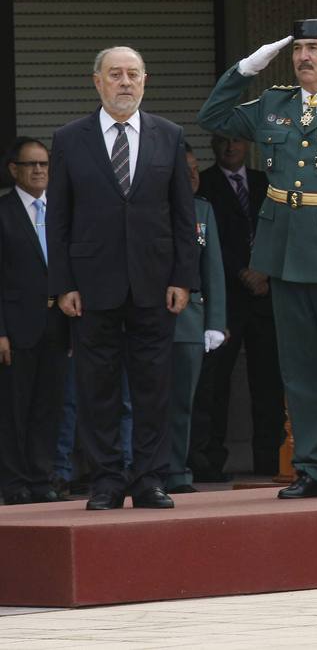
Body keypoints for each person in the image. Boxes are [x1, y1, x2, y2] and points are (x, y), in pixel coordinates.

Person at [198, 17, 317, 500]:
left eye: (314, 48)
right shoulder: (274, 103)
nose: (304, 57)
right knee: (301, 367)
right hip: (284, 252)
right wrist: (247, 67)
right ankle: (310, 464)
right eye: (298, 49)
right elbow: (214, 117)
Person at [48, 46, 197, 511]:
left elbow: (181, 213)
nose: (125, 83)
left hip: (155, 282)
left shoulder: (168, 136)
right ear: (97, 82)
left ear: (146, 81)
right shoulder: (70, 139)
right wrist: (63, 284)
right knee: (98, 387)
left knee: (154, 386)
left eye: (133, 74)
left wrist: (183, 278)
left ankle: (151, 477)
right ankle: (107, 479)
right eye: (116, 75)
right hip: (91, 285)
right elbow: (59, 219)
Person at [193, 133, 284, 479]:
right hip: (227, 298)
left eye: (237, 141)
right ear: (213, 146)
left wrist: (265, 271)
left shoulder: (266, 182)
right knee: (215, 383)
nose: (230, 147)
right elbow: (208, 240)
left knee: (269, 382)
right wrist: (242, 271)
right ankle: (210, 460)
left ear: (249, 145)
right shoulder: (205, 183)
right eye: (222, 142)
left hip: (267, 295)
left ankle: (270, 459)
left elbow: (279, 230)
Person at [0, 138, 70, 504]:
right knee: (14, 410)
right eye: (31, 164)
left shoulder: (60, 209)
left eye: (44, 164)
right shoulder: (4, 210)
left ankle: (42, 480)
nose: (40, 170)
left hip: (57, 326)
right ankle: (14, 484)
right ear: (14, 170)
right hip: (16, 328)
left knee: (49, 406)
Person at [165, 145, 227, 493]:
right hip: (149, 320)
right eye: (182, 169)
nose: (191, 175)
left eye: (194, 169)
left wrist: (215, 321)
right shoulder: (149, 207)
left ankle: (176, 470)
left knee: (183, 403)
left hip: (190, 321)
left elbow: (213, 269)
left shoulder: (203, 210)